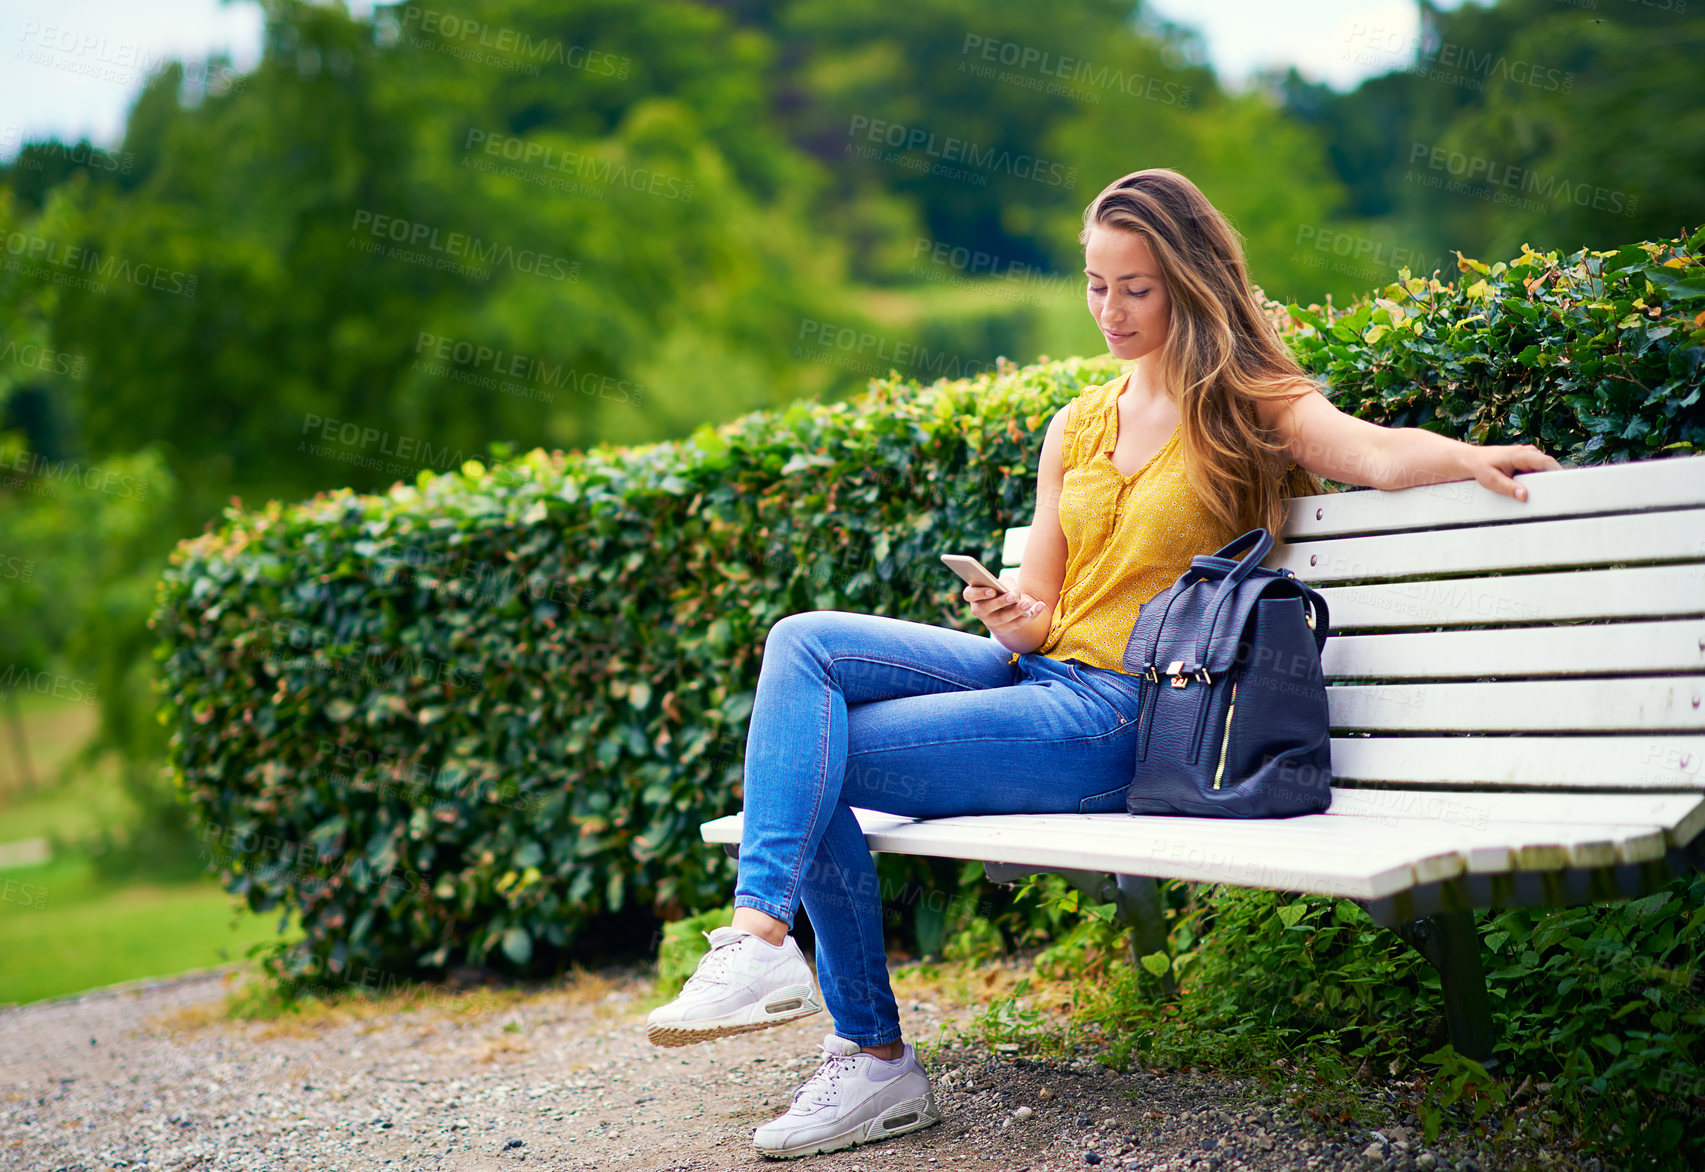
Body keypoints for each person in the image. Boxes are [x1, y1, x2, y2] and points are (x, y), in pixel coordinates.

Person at [643, 167, 1560, 1160]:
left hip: (1125, 715)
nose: (1111, 310)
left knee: (819, 761)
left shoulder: (1246, 401)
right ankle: (769, 946)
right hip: (1040, 678)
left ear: (1188, 280)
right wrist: (1009, 609)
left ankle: (863, 1047)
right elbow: (1035, 623)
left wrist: (1467, 456)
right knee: (802, 644)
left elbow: (1371, 454)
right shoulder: (1075, 423)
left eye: (1137, 286)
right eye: (1095, 283)